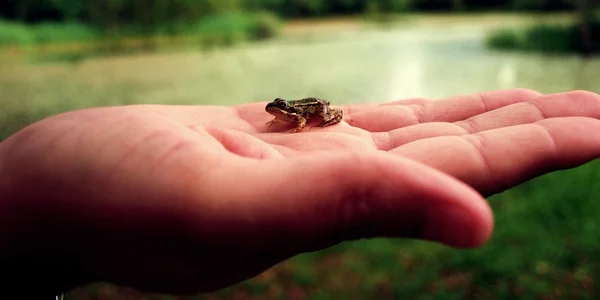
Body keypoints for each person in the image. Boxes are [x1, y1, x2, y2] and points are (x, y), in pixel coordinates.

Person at [1, 89, 599, 297]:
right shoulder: (281, 115)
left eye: (277, 112)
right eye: (276, 112)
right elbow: (283, 119)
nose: (275, 115)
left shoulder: (298, 115)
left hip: (325, 112)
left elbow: (304, 119)